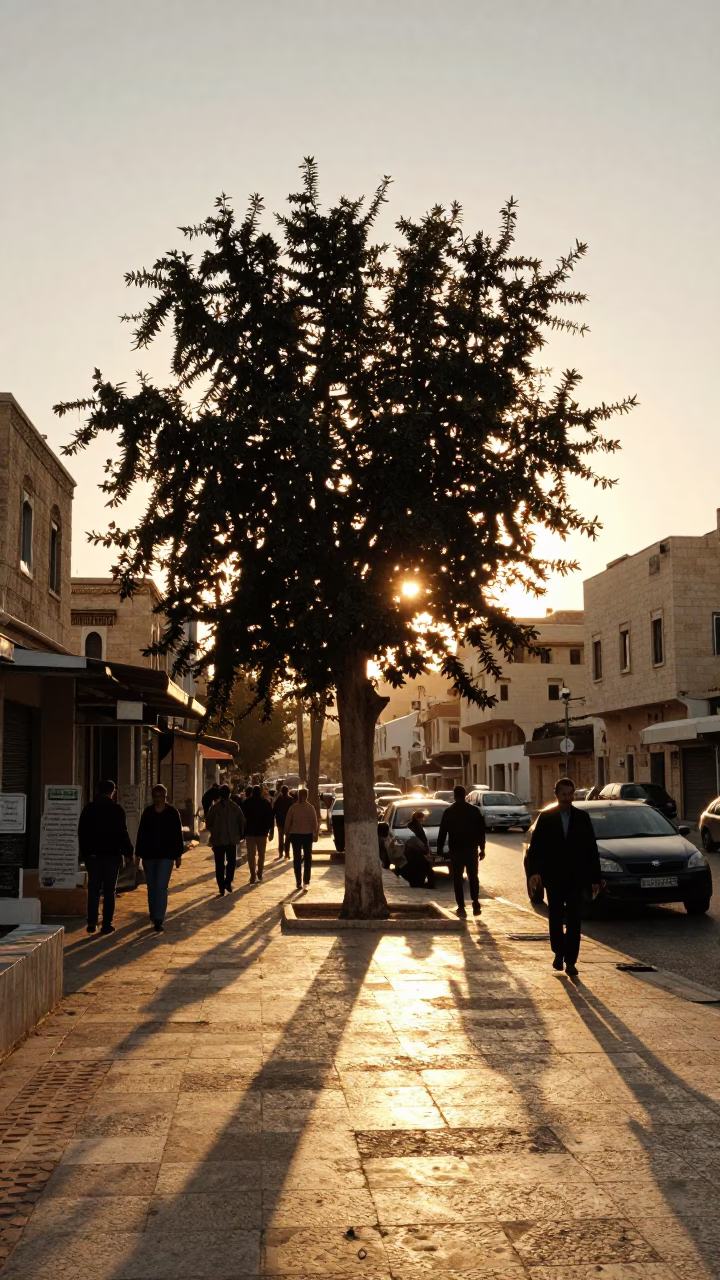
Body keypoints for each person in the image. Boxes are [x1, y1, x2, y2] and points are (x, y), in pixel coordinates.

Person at [525, 777, 602, 977]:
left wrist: (595, 878)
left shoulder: (582, 818)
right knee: (556, 916)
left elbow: (591, 849)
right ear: (557, 795)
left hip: (577, 878)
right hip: (554, 877)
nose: (566, 798)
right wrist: (534, 873)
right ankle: (559, 953)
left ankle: (571, 961)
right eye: (563, 795)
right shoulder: (546, 818)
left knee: (575, 919)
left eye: (570, 795)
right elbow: (536, 848)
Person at [78, 779, 133, 935]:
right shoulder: (117, 810)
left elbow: (82, 833)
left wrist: (84, 854)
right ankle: (107, 924)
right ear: (112, 791)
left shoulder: (88, 809)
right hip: (112, 856)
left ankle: (92, 921)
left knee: (94, 889)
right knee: (109, 890)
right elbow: (123, 833)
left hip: (93, 856)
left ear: (98, 791)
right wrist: (128, 853)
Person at [134, 784, 184, 932]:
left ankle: (159, 918)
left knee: (161, 886)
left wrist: (178, 855)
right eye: (155, 796)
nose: (157, 798)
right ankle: (153, 913)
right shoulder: (148, 812)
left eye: (160, 796)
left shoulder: (172, 813)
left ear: (165, 796)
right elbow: (141, 833)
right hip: (149, 856)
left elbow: (178, 835)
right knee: (152, 887)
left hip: (166, 857)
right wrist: (138, 854)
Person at [436, 785, 486, 918]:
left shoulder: (449, 812)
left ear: (454, 795)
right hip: (471, 850)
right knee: (473, 877)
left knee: (457, 879)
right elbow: (481, 831)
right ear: (465, 795)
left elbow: (442, 832)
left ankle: (461, 907)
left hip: (456, 850)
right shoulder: (474, 811)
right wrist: (482, 849)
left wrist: (440, 849)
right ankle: (475, 903)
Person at [206, 784, 246, 896]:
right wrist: (214, 831)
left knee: (229, 863)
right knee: (221, 864)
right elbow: (208, 822)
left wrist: (240, 834)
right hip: (220, 840)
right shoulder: (216, 808)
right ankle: (222, 886)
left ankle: (226, 882)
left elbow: (241, 821)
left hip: (230, 839)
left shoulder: (233, 807)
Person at [285, 787, 319, 890]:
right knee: (308, 858)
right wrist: (315, 834)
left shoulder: (293, 808)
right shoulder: (310, 808)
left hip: (295, 835)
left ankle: (298, 880)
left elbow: (287, 822)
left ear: (299, 796)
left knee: (297, 858)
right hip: (307, 835)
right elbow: (315, 823)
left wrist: (287, 834)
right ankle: (306, 881)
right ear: (306, 796)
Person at [242, 784, 274, 883]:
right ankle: (259, 873)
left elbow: (242, 820)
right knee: (261, 854)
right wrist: (271, 831)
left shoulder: (246, 803)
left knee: (251, 855)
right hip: (262, 833)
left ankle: (253, 874)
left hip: (250, 833)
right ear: (260, 792)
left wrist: (242, 832)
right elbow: (271, 819)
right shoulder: (266, 803)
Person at [396, 810, 436, 889]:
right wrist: (426, 851)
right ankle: (429, 885)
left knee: (416, 868)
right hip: (417, 851)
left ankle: (420, 883)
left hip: (411, 851)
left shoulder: (409, 826)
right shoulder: (417, 827)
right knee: (427, 868)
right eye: (422, 818)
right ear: (418, 818)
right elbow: (421, 840)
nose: (423, 820)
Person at [273, 785, 294, 860]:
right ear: (287, 791)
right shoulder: (290, 799)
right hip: (287, 821)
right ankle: (287, 853)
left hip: (280, 821)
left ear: (281, 791)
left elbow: (274, 811)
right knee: (287, 838)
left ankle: (281, 853)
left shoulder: (278, 800)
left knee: (280, 838)